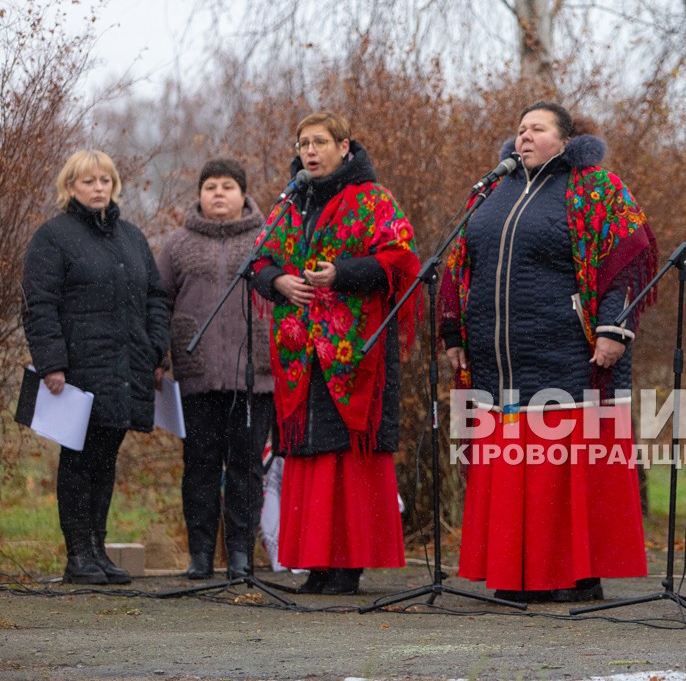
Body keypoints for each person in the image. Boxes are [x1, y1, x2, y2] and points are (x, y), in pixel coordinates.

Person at [440, 101, 657, 603]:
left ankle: (574, 575)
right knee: (515, 468)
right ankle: (519, 574)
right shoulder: (495, 188)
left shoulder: (594, 187)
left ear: (565, 139)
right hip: (499, 360)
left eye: (537, 129)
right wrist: (453, 330)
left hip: (568, 352)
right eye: (519, 130)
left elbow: (629, 256)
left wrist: (613, 327)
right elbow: (457, 261)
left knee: (562, 472)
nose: (524, 137)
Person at [251, 111, 420, 595]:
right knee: (307, 457)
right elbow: (260, 259)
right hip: (301, 357)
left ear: (345, 147)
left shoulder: (373, 200)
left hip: (356, 354)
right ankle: (316, 563)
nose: (310, 150)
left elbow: (401, 260)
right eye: (304, 142)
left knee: (346, 459)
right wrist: (278, 280)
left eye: (320, 141)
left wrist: (341, 274)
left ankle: (347, 564)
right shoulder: (291, 203)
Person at [22, 149, 171, 585]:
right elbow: (39, 304)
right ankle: (78, 555)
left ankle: (98, 550)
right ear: (71, 187)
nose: (98, 187)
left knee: (105, 459)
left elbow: (155, 299)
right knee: (78, 460)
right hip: (77, 373)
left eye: (105, 180)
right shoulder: (53, 237)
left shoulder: (131, 237)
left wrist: (155, 350)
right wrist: (52, 363)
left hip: (126, 369)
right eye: (88, 181)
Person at [156, 158, 275, 581]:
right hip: (197, 375)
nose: (218, 194)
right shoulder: (176, 244)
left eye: (228, 186)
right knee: (200, 466)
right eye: (210, 187)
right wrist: (159, 356)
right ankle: (201, 555)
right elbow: (159, 303)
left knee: (246, 468)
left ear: (244, 194)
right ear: (199, 194)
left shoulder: (268, 238)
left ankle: (241, 555)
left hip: (254, 375)